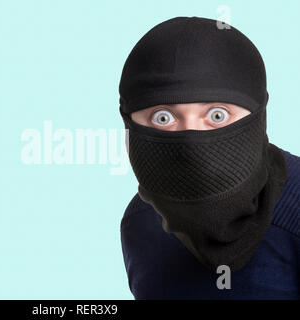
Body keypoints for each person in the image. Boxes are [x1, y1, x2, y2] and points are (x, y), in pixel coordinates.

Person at [118, 16, 299, 299]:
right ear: (129, 126)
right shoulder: (140, 223)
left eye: (217, 115)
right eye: (163, 117)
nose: (191, 140)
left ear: (259, 118)